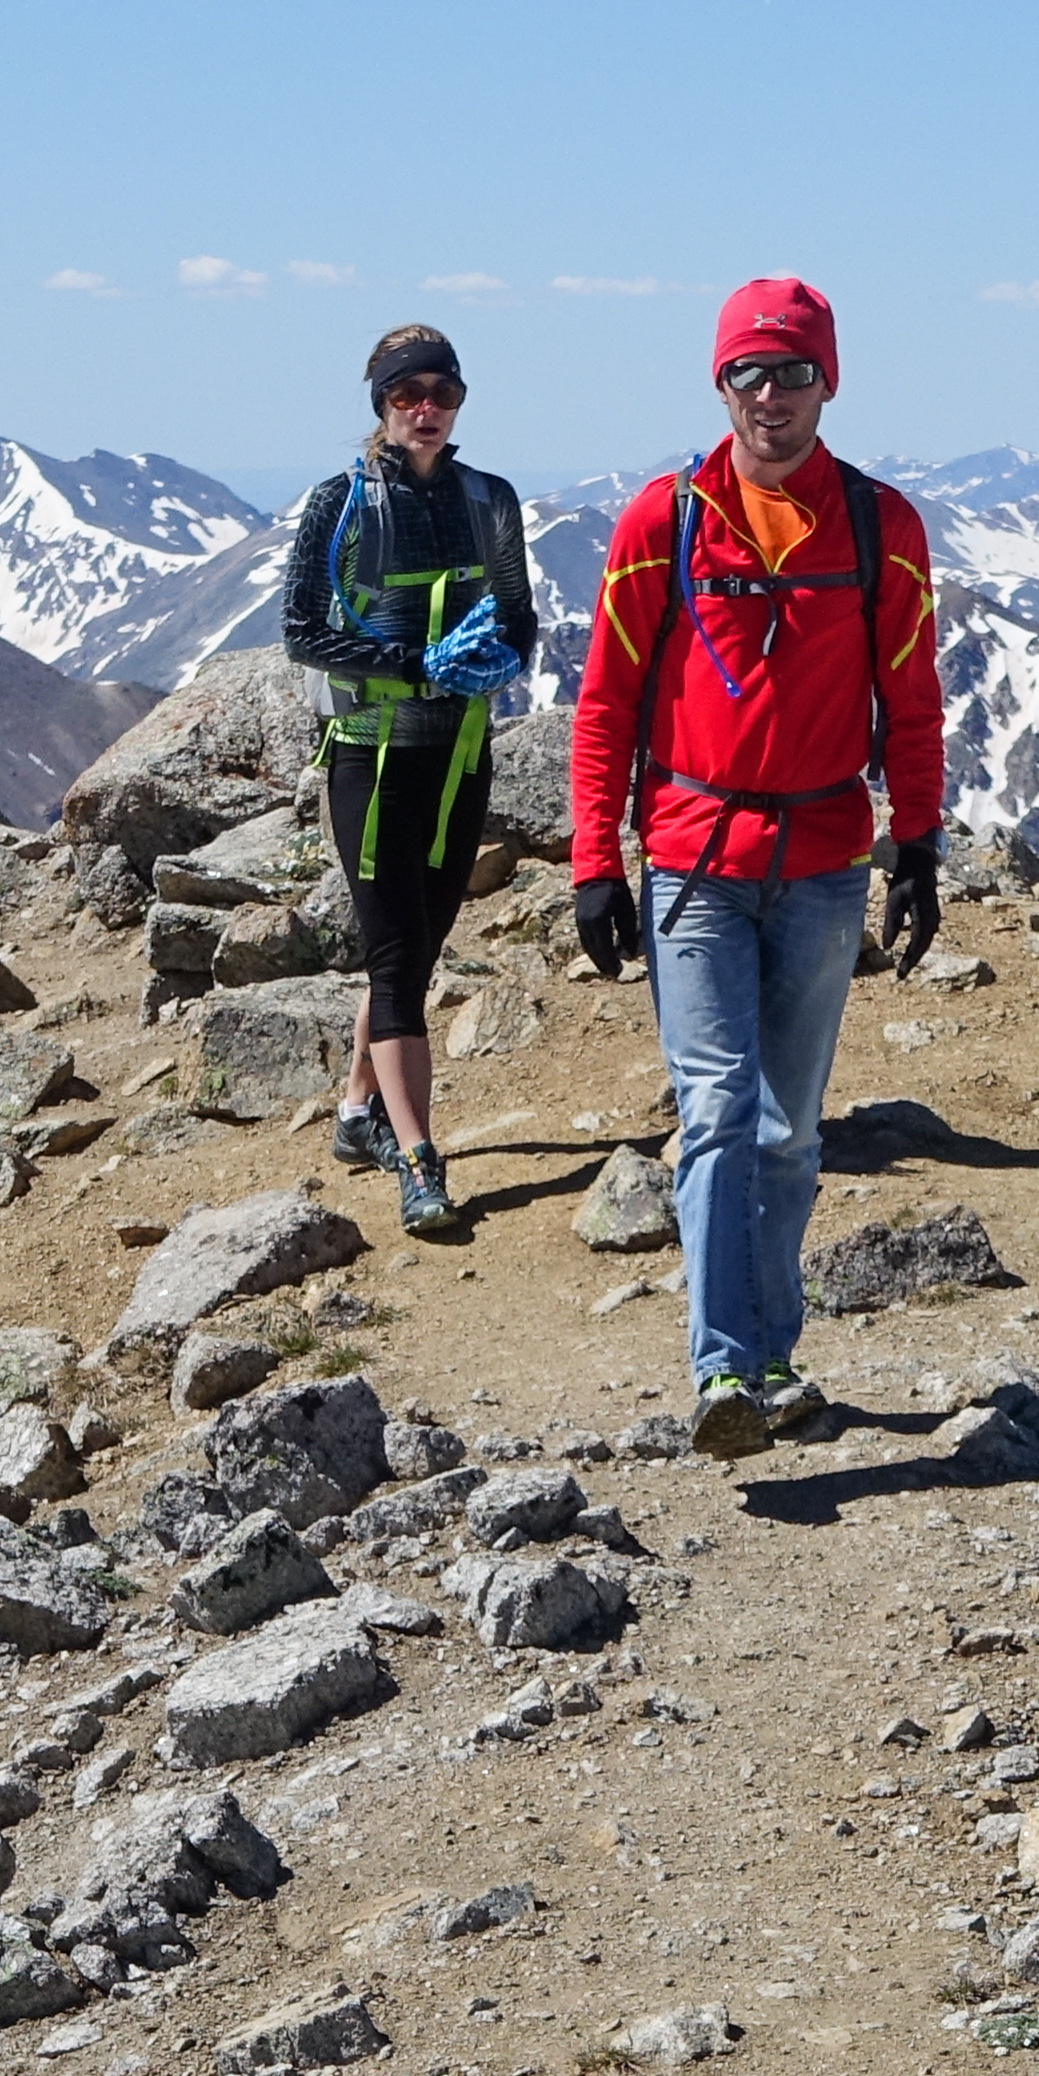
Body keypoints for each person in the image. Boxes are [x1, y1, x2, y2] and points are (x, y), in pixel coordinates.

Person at [568, 276, 946, 1457]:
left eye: (791, 372)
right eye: (749, 371)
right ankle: (723, 1370)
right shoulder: (658, 524)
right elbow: (604, 703)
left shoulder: (881, 528)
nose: (770, 394)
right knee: (721, 1110)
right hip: (692, 859)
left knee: (789, 1129)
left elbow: (912, 701)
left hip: (826, 861)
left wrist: (918, 846)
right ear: (717, 382)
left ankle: (775, 1357)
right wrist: (593, 859)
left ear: (827, 381)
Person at [279, 320, 542, 1240]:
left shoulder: (491, 501)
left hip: (460, 752)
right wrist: (411, 663)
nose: (425, 409)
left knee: (419, 946)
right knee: (394, 959)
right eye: (406, 395)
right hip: (370, 754)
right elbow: (302, 631)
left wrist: (494, 661)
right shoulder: (338, 505)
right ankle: (419, 1158)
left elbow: (520, 619)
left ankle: (357, 1111)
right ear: (381, 405)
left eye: (442, 392)